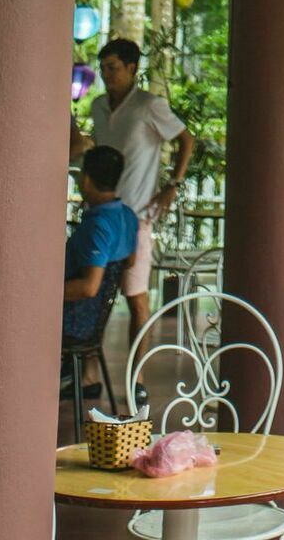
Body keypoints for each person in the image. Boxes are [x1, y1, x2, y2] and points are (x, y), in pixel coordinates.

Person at [70, 37, 195, 348]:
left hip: (137, 214)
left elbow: (186, 140)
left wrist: (173, 185)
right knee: (93, 296)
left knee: (135, 297)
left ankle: (137, 379)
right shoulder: (99, 106)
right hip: (101, 210)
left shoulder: (149, 106)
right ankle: (89, 372)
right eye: (103, 69)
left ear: (132, 68)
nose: (107, 75)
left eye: (113, 68)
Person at [63, 145, 138, 343]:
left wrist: (43, 293)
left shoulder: (98, 225)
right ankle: (88, 369)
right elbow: (130, 260)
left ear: (86, 180)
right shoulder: (128, 216)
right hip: (94, 321)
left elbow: (89, 287)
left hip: (73, 322)